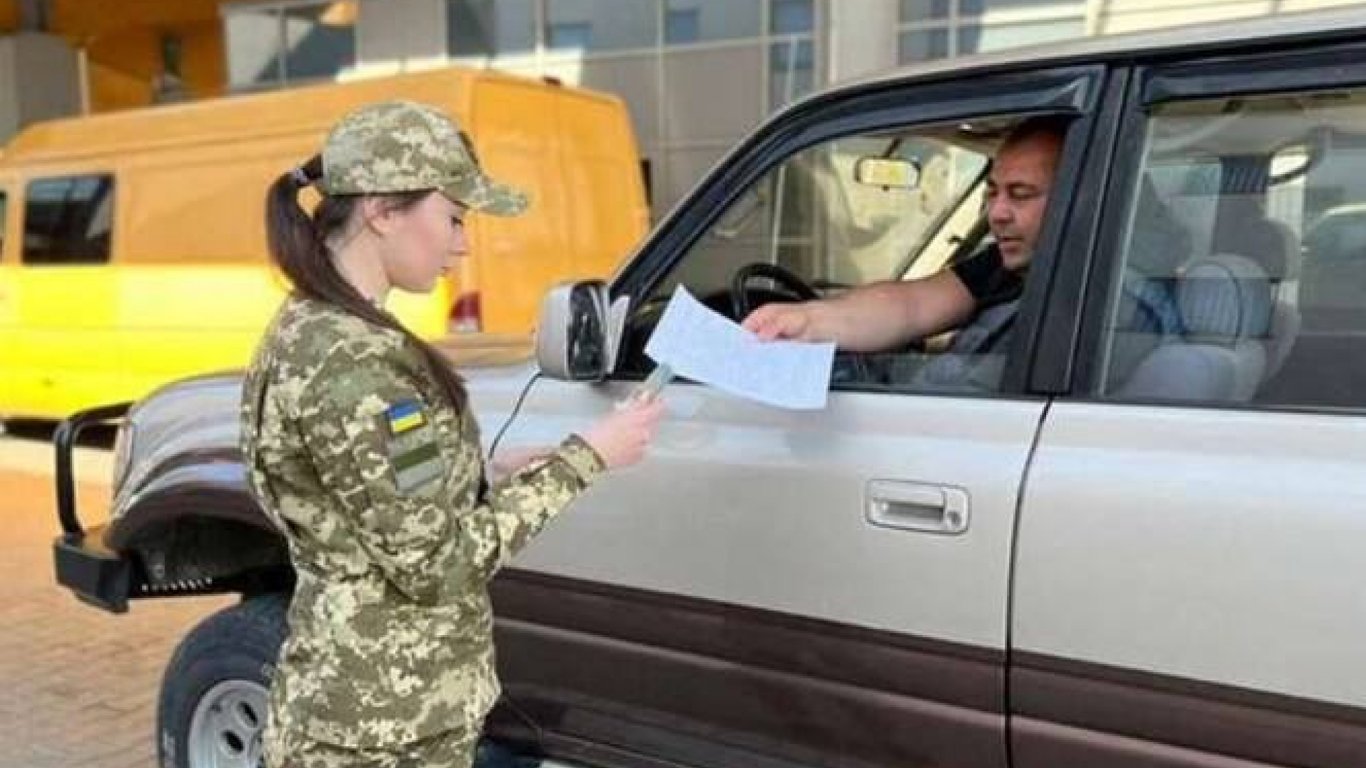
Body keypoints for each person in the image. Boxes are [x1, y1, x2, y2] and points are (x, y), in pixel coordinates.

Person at [239, 100, 664, 768]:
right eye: (454, 217)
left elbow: (358, 497)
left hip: (378, 711)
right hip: (385, 730)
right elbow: (439, 567)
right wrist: (588, 458)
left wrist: (481, 472)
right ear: (383, 211)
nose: (462, 244)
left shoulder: (319, 327)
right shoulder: (357, 365)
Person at [742, 117, 1068, 374]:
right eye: (992, 193)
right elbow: (913, 304)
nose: (996, 213)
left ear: (1075, 195)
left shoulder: (1087, 292)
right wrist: (809, 321)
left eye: (1021, 194)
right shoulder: (1008, 262)